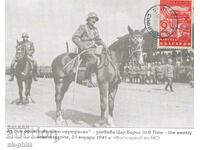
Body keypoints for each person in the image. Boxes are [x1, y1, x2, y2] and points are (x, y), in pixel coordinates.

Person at [72, 12, 107, 87]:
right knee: (94, 59)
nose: (94, 20)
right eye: (92, 18)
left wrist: (105, 46)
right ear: (88, 19)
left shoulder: (95, 29)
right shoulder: (82, 27)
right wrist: (82, 45)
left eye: (95, 19)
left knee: (105, 57)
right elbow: (75, 37)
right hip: (85, 49)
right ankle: (87, 79)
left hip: (94, 48)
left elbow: (98, 40)